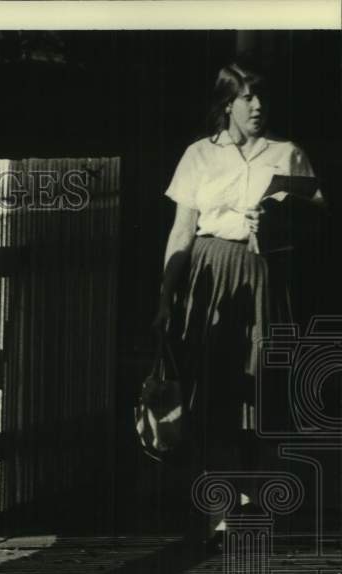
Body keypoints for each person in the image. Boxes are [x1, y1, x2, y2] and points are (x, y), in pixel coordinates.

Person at [152, 60, 325, 547]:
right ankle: (220, 506)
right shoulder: (198, 156)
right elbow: (182, 231)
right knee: (214, 389)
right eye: (247, 97)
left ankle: (254, 499)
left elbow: (319, 220)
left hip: (268, 275)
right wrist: (165, 296)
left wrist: (281, 219)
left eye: (262, 97)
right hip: (211, 276)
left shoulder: (287, 153)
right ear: (226, 103)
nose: (257, 106)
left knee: (263, 390)